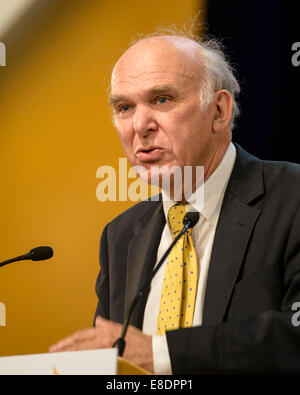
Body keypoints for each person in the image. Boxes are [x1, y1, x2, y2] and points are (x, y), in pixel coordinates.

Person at [49, 32, 300, 374]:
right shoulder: (120, 236)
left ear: (219, 110)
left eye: (162, 99)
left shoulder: (291, 197)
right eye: (124, 107)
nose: (140, 125)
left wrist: (161, 354)